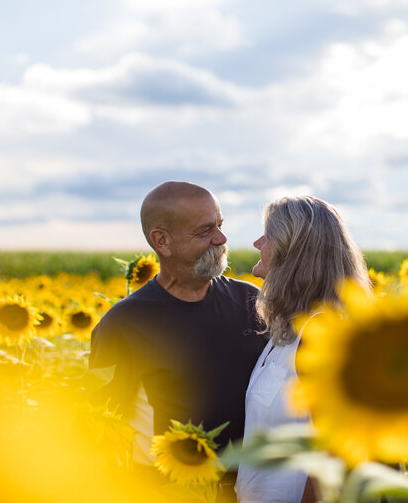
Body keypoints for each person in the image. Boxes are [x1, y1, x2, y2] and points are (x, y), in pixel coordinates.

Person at [89, 181, 268, 497]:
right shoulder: (123, 324)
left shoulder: (251, 302)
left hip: (251, 490)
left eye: (220, 225)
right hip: (166, 491)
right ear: (162, 241)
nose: (221, 239)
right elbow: (102, 424)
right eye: (204, 231)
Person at [235, 196, 369, 503]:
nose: (257, 242)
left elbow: (336, 453)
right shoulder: (289, 330)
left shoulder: (322, 333)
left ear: (291, 251)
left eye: (267, 236)